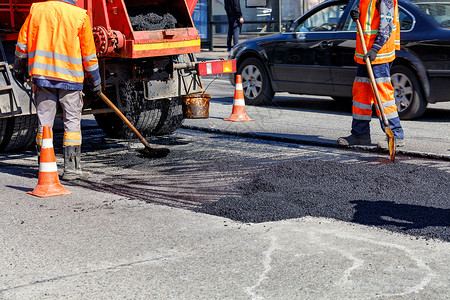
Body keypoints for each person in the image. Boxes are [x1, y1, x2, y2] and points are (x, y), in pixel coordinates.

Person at [14, 0, 101, 180]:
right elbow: (89, 55)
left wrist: (19, 69)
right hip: (70, 80)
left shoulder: (36, 10)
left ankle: (45, 166)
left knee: (44, 123)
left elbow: (22, 45)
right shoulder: (79, 16)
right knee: (72, 123)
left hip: (43, 77)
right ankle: (71, 169)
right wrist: (96, 81)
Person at [337, 0, 405, 148]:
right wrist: (357, 15)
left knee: (382, 96)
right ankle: (360, 134)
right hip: (364, 54)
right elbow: (369, 21)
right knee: (361, 94)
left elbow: (386, 27)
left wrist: (375, 49)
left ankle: (395, 135)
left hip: (378, 54)